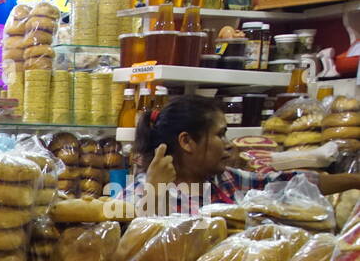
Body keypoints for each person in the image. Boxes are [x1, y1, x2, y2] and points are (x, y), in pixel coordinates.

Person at [128, 95, 360, 213]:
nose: (228, 145)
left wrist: (354, 181)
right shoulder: (138, 191)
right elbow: (128, 250)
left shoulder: (227, 180)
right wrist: (154, 191)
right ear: (187, 141)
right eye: (220, 135)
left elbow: (295, 182)